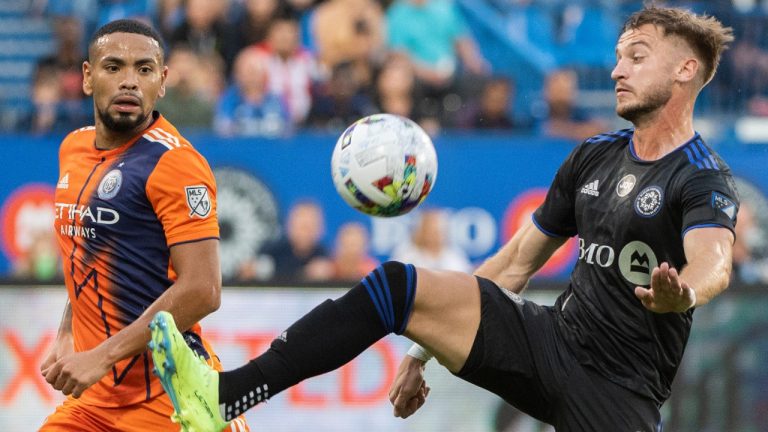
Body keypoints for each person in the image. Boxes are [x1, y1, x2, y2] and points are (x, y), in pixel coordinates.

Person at [149, 6, 738, 431]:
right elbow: (515, 262)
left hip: (619, 389)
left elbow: (714, 261)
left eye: (636, 57)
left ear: (685, 71)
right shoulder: (595, 153)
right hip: (552, 341)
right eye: (616, 57)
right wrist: (419, 350)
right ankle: (228, 396)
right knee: (399, 286)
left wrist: (681, 293)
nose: (616, 70)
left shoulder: (700, 176)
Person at [40, 19, 248, 432]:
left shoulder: (177, 164)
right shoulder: (73, 148)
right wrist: (68, 330)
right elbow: (85, 248)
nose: (130, 82)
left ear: (163, 81)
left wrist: (101, 355)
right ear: (87, 76)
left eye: (144, 69)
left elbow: (203, 291)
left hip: (174, 400)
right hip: (95, 404)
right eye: (113, 67)